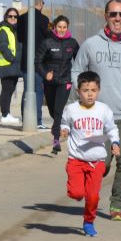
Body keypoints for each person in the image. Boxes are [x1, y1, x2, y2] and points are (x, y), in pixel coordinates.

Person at [72, 0, 121, 221]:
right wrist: (78, 99)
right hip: (98, 115)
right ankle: (92, 188)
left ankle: (117, 204)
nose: (118, 18)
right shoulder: (91, 44)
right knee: (100, 163)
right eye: (114, 14)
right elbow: (76, 70)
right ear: (105, 15)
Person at [59, 71, 120, 237]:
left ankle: (88, 221)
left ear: (98, 91)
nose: (90, 94)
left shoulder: (103, 110)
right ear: (78, 92)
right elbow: (65, 123)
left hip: (97, 160)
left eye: (93, 90)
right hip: (76, 159)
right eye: (86, 90)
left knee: (93, 197)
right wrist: (64, 130)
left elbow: (112, 128)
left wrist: (115, 143)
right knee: (76, 193)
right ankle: (79, 192)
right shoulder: (71, 109)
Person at [38, 15, 79, 154]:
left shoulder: (72, 43)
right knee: (52, 111)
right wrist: (45, 74)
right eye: (59, 27)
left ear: (67, 28)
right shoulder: (47, 42)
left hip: (65, 81)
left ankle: (56, 140)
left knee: (58, 109)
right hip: (50, 82)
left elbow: (79, 61)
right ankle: (61, 125)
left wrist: (77, 78)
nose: (62, 30)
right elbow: (38, 61)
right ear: (55, 27)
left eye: (64, 27)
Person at [0, 7, 22, 126]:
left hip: (13, 66)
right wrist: (12, 58)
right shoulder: (4, 30)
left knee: (10, 90)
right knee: (6, 90)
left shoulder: (14, 30)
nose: (13, 18)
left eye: (15, 16)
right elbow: (3, 46)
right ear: (6, 17)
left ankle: (7, 113)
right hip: (7, 65)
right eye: (10, 16)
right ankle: (5, 115)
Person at [28, 0, 52, 128]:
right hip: (39, 61)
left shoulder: (23, 18)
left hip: (25, 61)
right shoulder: (43, 20)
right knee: (37, 90)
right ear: (41, 3)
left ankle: (26, 119)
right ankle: (37, 121)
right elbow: (48, 38)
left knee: (28, 90)